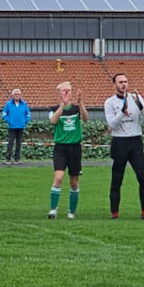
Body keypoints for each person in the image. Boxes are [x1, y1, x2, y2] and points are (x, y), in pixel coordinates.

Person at [104, 74, 144, 220]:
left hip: (136, 141)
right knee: (117, 179)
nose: (124, 84)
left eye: (125, 81)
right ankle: (115, 213)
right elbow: (112, 125)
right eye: (120, 82)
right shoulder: (110, 102)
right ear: (115, 85)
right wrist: (122, 112)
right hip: (119, 142)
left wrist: (142, 108)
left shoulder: (136, 98)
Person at [47, 82, 87, 219]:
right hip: (60, 148)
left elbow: (86, 119)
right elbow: (53, 121)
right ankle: (53, 209)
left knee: (74, 181)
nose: (67, 93)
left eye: (69, 90)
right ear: (59, 93)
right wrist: (62, 106)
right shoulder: (54, 108)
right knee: (58, 178)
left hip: (75, 148)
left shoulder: (76, 109)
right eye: (64, 90)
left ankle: (71, 211)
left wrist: (81, 103)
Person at [1, 88, 31, 164]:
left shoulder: (24, 104)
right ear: (13, 95)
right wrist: (9, 121)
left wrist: (25, 121)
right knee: (10, 143)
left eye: (18, 94)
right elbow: (4, 114)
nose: (17, 96)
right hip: (12, 127)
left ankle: (17, 159)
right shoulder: (8, 104)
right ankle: (7, 159)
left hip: (21, 126)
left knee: (19, 143)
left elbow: (28, 114)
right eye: (16, 94)